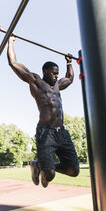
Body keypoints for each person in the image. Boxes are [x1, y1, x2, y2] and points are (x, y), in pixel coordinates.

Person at [7, 36, 79, 188]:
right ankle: (43, 168)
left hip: (62, 132)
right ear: (46, 71)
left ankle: (40, 165)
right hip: (46, 132)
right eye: (54, 72)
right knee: (50, 176)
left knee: (73, 170)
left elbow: (70, 78)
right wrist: (10, 41)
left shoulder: (58, 85)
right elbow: (13, 63)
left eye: (57, 73)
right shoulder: (36, 81)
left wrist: (69, 62)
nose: (56, 75)